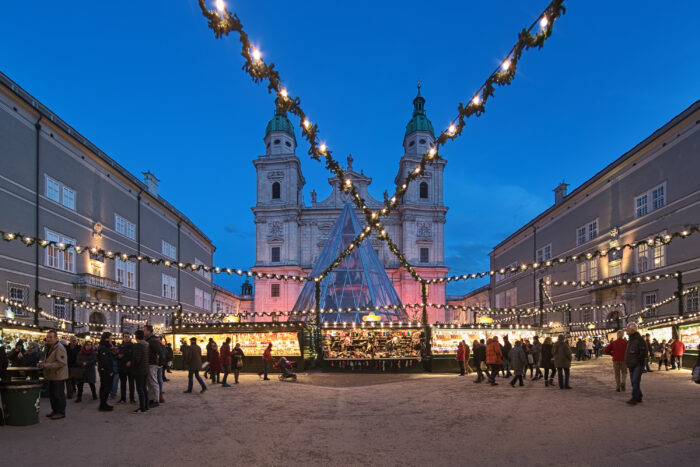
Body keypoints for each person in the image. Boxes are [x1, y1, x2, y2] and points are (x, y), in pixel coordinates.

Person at [37, 330, 68, 420]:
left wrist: (46, 365)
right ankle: (55, 410)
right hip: (51, 375)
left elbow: (61, 363)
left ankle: (61, 412)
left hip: (58, 375)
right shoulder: (50, 347)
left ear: (56, 338)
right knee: (52, 395)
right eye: (48, 337)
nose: (49, 339)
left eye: (51, 337)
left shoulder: (59, 348)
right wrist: (42, 363)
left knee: (58, 395)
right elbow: (49, 359)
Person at [625, 322, 646, 405]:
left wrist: (639, 362)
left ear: (632, 330)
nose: (626, 330)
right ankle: (639, 396)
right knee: (634, 382)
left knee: (635, 380)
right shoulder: (630, 339)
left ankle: (634, 398)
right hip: (631, 363)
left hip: (637, 364)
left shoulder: (639, 340)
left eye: (627, 329)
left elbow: (643, 352)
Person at [144, 325, 165, 408]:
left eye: (144, 330)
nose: (143, 331)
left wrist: (160, 363)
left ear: (149, 331)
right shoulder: (149, 339)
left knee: (153, 382)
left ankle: (155, 400)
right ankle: (151, 399)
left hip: (152, 363)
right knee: (150, 382)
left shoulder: (152, 340)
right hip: (149, 363)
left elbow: (160, 352)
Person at [130, 330, 149, 413]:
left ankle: (142, 407)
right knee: (144, 388)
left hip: (139, 370)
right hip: (145, 369)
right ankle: (146, 405)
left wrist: (132, 366)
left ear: (136, 336)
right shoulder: (146, 345)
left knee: (140, 388)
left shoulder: (138, 345)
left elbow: (136, 359)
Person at [96, 332, 115, 412]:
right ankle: (103, 405)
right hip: (105, 371)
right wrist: (110, 371)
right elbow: (105, 361)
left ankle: (103, 403)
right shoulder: (103, 348)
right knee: (106, 387)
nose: (111, 339)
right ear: (106, 339)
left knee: (104, 387)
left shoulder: (105, 347)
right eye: (110, 338)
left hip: (104, 370)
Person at [117, 332, 135, 404]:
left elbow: (135, 356)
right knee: (123, 384)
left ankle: (132, 398)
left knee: (131, 384)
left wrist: (130, 361)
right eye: (125, 337)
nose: (127, 338)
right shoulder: (119, 346)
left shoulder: (133, 346)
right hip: (122, 367)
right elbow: (116, 355)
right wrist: (118, 356)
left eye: (128, 337)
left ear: (130, 337)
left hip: (130, 367)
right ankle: (123, 398)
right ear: (123, 337)